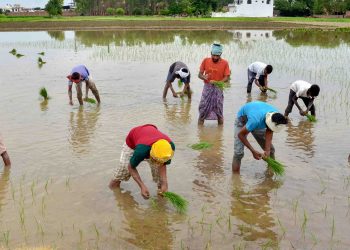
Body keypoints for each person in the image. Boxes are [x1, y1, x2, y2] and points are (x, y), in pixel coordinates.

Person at [109, 124, 175, 199]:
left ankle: (160, 200)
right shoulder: (141, 150)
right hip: (133, 141)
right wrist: (142, 186)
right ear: (151, 154)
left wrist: (165, 183)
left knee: (159, 177)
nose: (159, 163)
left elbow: (163, 164)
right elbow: (131, 167)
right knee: (122, 172)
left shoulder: (169, 148)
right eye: (156, 160)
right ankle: (111, 192)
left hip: (150, 136)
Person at [232, 101, 288, 173]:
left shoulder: (276, 116)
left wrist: (267, 150)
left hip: (258, 119)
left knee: (271, 150)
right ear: (268, 122)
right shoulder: (255, 121)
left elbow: (270, 130)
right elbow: (241, 135)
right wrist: (253, 151)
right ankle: (235, 179)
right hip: (242, 119)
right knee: (238, 153)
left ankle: (270, 173)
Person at [198, 43, 231, 125]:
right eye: (214, 55)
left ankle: (220, 134)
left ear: (220, 54)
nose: (215, 57)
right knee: (203, 109)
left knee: (219, 110)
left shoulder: (225, 63)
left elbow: (226, 77)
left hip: (218, 88)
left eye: (217, 56)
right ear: (211, 53)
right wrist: (203, 77)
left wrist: (218, 82)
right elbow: (199, 74)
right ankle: (200, 130)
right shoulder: (206, 61)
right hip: (207, 88)